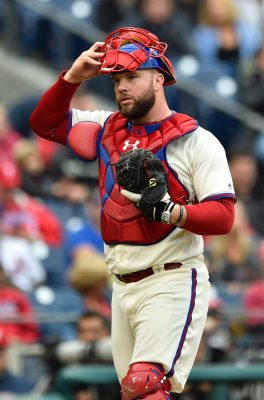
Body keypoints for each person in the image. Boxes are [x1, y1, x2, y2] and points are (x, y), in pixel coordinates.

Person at [30, 27, 236, 399]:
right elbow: (44, 123)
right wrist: (72, 78)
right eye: (117, 79)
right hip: (121, 283)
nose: (122, 86)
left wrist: (172, 212)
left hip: (170, 277)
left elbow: (224, 215)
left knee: (145, 385)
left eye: (132, 77)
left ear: (158, 80)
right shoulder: (106, 126)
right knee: (136, 393)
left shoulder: (195, 140)